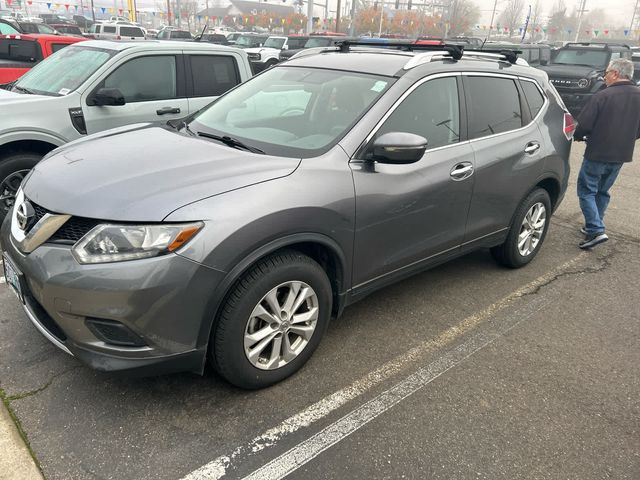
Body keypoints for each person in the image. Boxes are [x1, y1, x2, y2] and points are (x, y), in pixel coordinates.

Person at [573, 58, 640, 249]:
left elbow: (584, 124)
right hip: (621, 154)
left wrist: (578, 136)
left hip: (598, 152)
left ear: (616, 74)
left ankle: (595, 229)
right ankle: (593, 226)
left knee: (586, 190)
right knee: (602, 191)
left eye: (607, 72)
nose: (605, 76)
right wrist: (628, 139)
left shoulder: (603, 95)